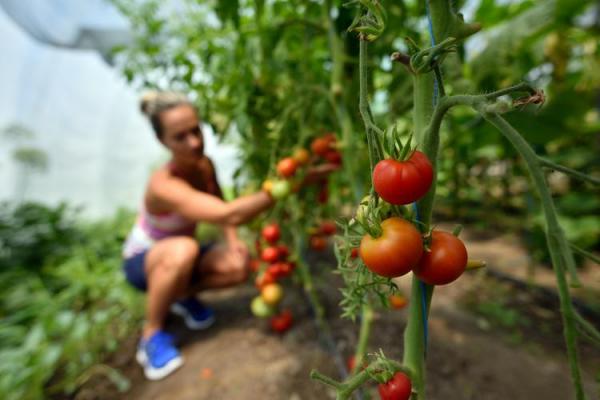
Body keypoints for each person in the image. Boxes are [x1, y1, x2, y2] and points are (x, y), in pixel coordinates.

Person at [122, 91, 335, 380]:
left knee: (239, 265)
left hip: (183, 254)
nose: (194, 142)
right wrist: (295, 182)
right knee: (182, 249)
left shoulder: (204, 164)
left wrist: (234, 243)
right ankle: (151, 336)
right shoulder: (163, 185)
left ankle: (179, 295)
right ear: (162, 141)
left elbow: (220, 201)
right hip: (143, 261)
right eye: (180, 137)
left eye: (196, 130)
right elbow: (228, 214)